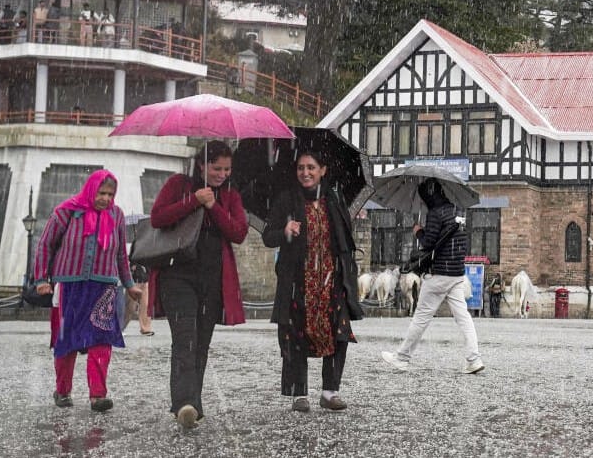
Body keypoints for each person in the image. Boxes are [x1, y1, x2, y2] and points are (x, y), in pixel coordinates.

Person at [149, 140, 248, 428]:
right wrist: (193, 200)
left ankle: (194, 401)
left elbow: (238, 232)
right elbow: (157, 217)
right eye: (216, 168)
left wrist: (213, 205)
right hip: (177, 274)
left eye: (227, 169)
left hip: (212, 278)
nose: (222, 174)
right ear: (202, 164)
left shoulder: (230, 195)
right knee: (185, 339)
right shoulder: (178, 184)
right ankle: (184, 403)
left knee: (201, 343)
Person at [31, 169, 141, 412]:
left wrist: (130, 284)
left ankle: (98, 395)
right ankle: (62, 390)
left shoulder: (117, 215)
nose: (105, 199)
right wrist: (41, 279)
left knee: (101, 340)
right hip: (69, 286)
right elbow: (46, 246)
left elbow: (121, 254)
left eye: (110, 194)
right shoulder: (67, 212)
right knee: (66, 340)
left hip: (104, 288)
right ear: (91, 189)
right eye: (101, 193)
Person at [262, 150, 363, 413]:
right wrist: (284, 231)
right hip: (298, 280)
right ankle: (299, 393)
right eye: (300, 168)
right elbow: (267, 236)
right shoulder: (286, 200)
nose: (305, 173)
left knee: (338, 333)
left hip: (331, 280)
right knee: (296, 334)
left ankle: (330, 392)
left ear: (323, 170)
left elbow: (345, 238)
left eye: (311, 167)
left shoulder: (334, 198)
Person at [382, 178, 484, 375]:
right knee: (463, 317)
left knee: (421, 317)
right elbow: (450, 240)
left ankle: (402, 358)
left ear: (428, 196)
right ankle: (474, 358)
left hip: (438, 274)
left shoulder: (436, 214)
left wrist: (419, 232)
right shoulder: (456, 211)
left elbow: (429, 245)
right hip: (457, 273)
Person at [128, 262, 153, 335]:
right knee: (130, 307)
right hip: (133, 281)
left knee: (145, 304)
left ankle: (145, 328)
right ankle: (120, 326)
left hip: (145, 279)